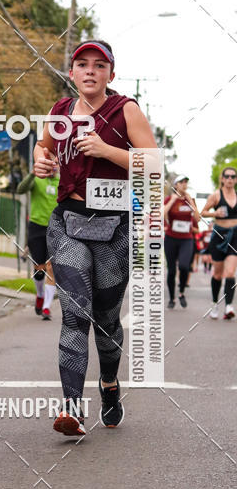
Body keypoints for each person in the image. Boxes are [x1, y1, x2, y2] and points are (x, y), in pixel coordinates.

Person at [34, 39, 158, 436]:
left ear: (110, 74)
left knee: (105, 321)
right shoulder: (59, 111)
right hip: (69, 221)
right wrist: (41, 161)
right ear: (72, 73)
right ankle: (72, 407)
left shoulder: (126, 110)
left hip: (115, 228)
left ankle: (109, 384)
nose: (90, 71)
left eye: (99, 65)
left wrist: (107, 150)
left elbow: (153, 163)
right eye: (83, 64)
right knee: (75, 313)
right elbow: (42, 147)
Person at [17, 165, 59, 320]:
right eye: (50, 163)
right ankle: (40, 294)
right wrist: (32, 174)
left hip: (55, 228)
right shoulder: (37, 179)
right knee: (39, 269)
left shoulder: (61, 182)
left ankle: (46, 307)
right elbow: (20, 190)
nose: (53, 167)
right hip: (36, 227)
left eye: (56, 163)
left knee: (51, 267)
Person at [201, 166, 237, 319]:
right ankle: (215, 303)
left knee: (230, 273)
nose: (230, 179)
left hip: (234, 236)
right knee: (217, 274)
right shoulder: (216, 195)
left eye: (233, 176)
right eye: (227, 176)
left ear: (236, 180)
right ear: (222, 179)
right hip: (219, 236)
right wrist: (215, 213)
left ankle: (228, 306)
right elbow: (202, 212)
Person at [163, 175, 200, 308]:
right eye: (181, 182)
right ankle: (172, 298)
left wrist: (190, 201)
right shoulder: (169, 199)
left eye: (186, 182)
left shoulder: (190, 200)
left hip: (186, 239)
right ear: (176, 185)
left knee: (184, 266)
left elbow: (198, 218)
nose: (184, 184)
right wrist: (172, 200)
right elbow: (162, 215)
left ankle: (181, 292)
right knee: (171, 270)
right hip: (171, 238)